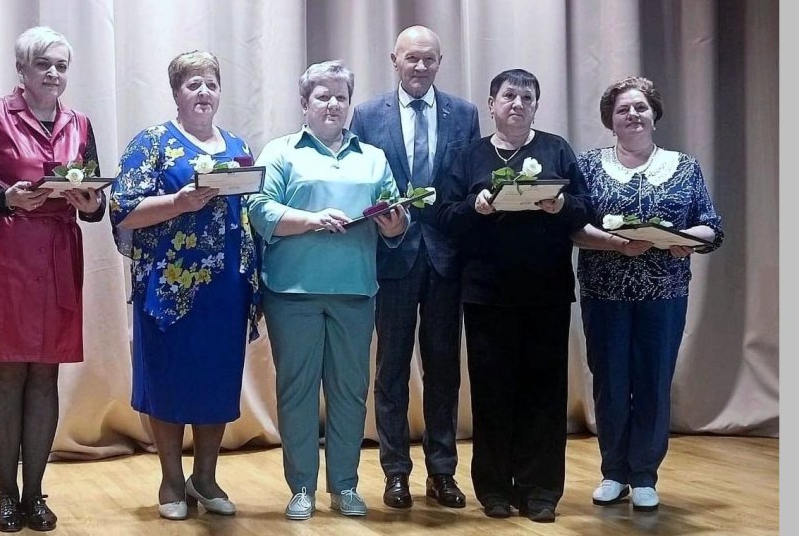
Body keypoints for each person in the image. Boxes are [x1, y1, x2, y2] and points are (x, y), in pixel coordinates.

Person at [0, 26, 105, 533]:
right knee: (7, 374)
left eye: (61, 65)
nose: (54, 73)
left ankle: (35, 494)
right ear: (22, 69)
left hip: (58, 255)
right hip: (5, 258)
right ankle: (5, 495)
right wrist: (6, 198)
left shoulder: (81, 124)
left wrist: (90, 203)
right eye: (44, 64)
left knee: (45, 375)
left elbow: (96, 204)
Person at [247, 61, 408, 521]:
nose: (333, 104)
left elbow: (396, 215)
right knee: (296, 392)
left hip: (355, 290)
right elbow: (259, 209)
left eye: (341, 96)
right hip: (292, 291)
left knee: (350, 392)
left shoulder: (373, 157)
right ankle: (301, 487)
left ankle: (345, 485)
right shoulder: (280, 152)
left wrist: (395, 222)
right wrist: (311, 220)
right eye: (323, 96)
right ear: (304, 103)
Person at [108, 50, 261, 521]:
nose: (203, 92)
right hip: (169, 288)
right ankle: (172, 480)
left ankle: (206, 477)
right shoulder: (152, 143)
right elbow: (122, 210)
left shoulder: (237, 145)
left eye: (211, 84)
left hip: (226, 287)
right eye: (193, 84)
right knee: (168, 380)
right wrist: (178, 202)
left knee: (217, 380)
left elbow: (249, 210)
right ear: (176, 92)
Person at [436, 69, 593, 522]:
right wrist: (474, 206)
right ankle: (494, 490)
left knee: (544, 394)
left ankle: (541, 491)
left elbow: (587, 207)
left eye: (527, 97)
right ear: (492, 104)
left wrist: (561, 205)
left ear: (536, 106)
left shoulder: (556, 149)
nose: (518, 104)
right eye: (509, 96)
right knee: (491, 394)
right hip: (486, 294)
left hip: (546, 292)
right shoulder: (468, 156)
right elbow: (444, 216)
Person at [571, 76, 724, 512]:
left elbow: (710, 226)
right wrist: (615, 243)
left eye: (640, 107)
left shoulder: (684, 166)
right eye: (623, 110)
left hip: (664, 293)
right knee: (610, 382)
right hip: (604, 292)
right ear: (610, 120)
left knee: (653, 382)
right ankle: (613, 472)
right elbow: (574, 228)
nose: (632, 115)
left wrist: (684, 239)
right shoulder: (588, 165)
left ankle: (644, 475)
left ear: (654, 114)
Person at [348, 25, 480, 510]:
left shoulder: (464, 113)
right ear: (395, 59)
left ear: (440, 62)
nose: (420, 66)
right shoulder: (367, 115)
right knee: (391, 370)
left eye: (429, 59)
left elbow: (469, 181)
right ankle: (395, 473)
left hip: (447, 258)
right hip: (392, 257)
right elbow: (361, 181)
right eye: (412, 58)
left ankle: (442, 472)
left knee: (444, 370)